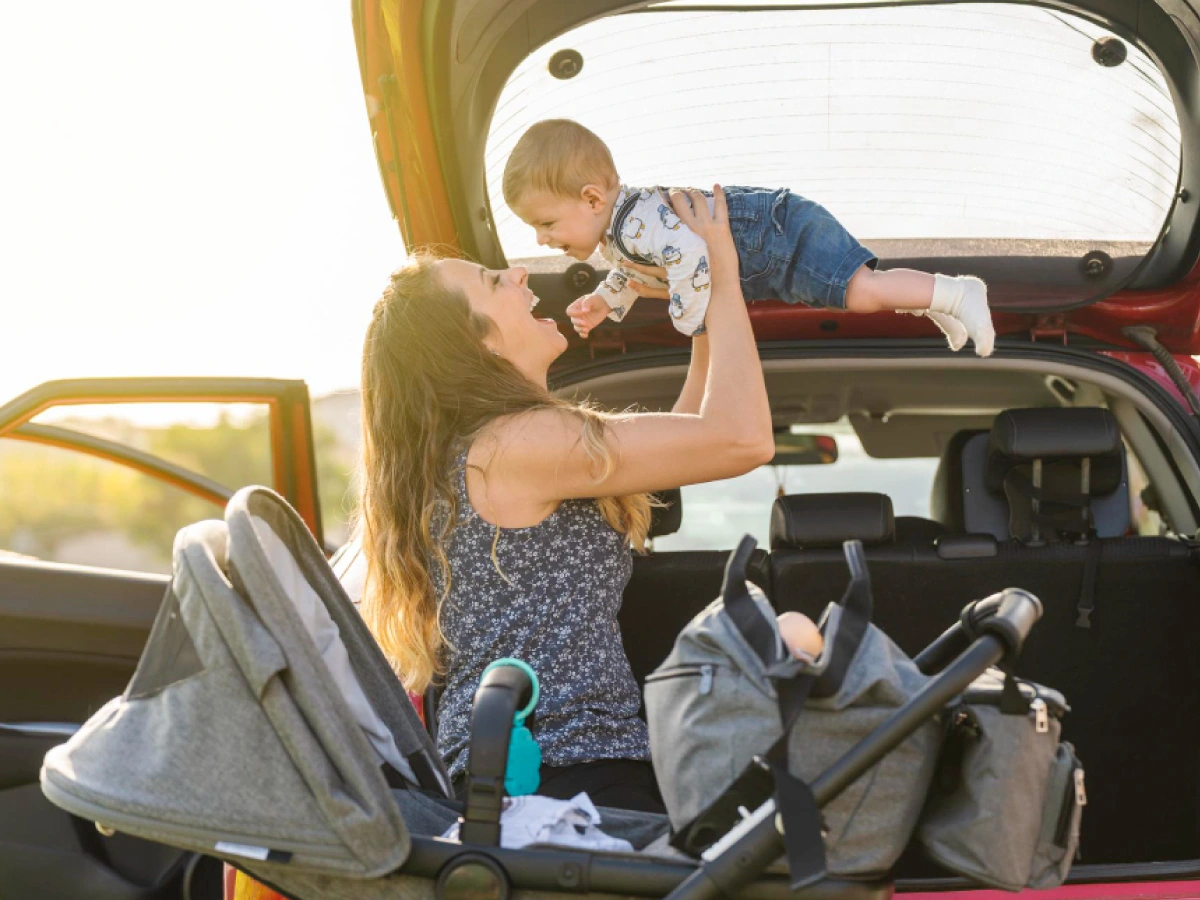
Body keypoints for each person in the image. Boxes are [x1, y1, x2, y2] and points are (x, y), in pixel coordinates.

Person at [355, 186, 773, 813]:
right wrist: (726, 277)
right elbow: (740, 439)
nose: (520, 272)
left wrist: (700, 295)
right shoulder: (512, 445)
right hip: (556, 775)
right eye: (497, 280)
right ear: (481, 344)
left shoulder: (495, 447)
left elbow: (687, 436)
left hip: (547, 775)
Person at [501, 119, 995, 356]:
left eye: (546, 223)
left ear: (591, 200)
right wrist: (605, 301)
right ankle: (940, 302)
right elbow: (635, 273)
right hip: (771, 251)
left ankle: (958, 291)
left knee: (863, 291)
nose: (543, 240)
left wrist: (687, 318)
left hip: (777, 233)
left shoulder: (637, 223)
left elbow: (692, 254)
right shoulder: (622, 233)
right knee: (865, 291)